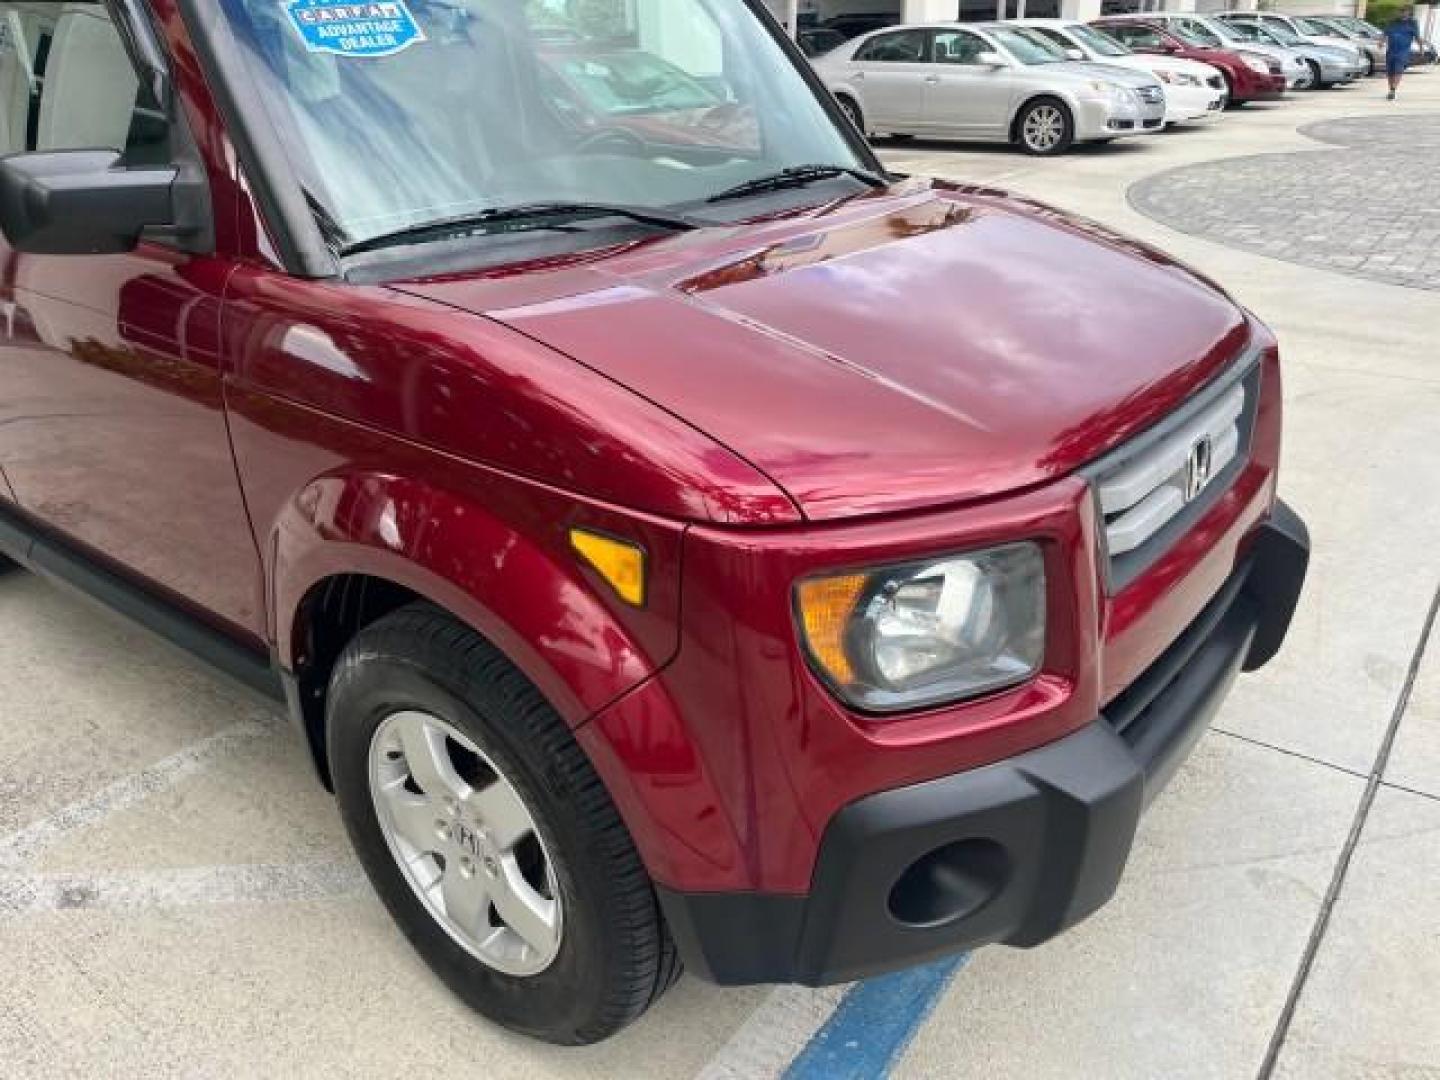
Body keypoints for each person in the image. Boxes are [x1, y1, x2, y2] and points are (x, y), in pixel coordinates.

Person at [1384, 6, 1421, 100]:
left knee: (1398, 71)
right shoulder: (1393, 22)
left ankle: (1393, 90)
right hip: (1391, 50)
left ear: (1409, 13)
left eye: (1404, 11)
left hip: (1403, 51)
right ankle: (1391, 90)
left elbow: (1417, 37)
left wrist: (1421, 48)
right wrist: (1380, 41)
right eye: (1401, 11)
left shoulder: (1412, 24)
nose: (1402, 13)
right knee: (1390, 72)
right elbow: (1385, 33)